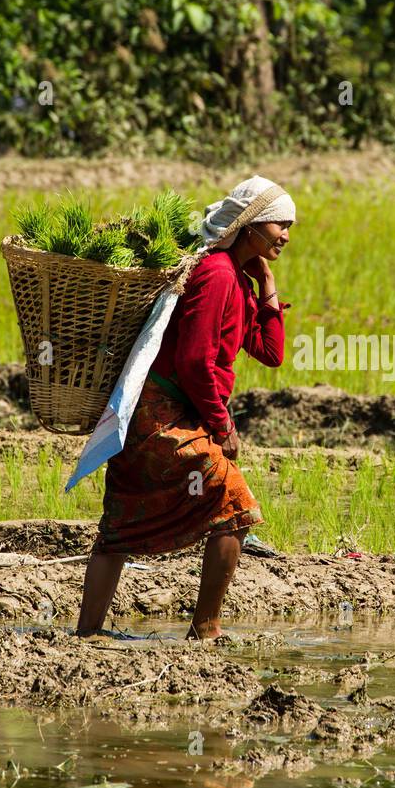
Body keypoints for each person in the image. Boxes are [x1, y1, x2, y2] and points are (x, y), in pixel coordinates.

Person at [75, 176, 295, 640]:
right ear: (252, 225)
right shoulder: (215, 273)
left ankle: (88, 635)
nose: (287, 235)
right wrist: (222, 424)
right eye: (280, 224)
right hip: (159, 411)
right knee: (232, 501)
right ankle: (206, 631)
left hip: (162, 409)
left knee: (120, 521)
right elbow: (196, 361)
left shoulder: (235, 277)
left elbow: (271, 352)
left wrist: (268, 284)